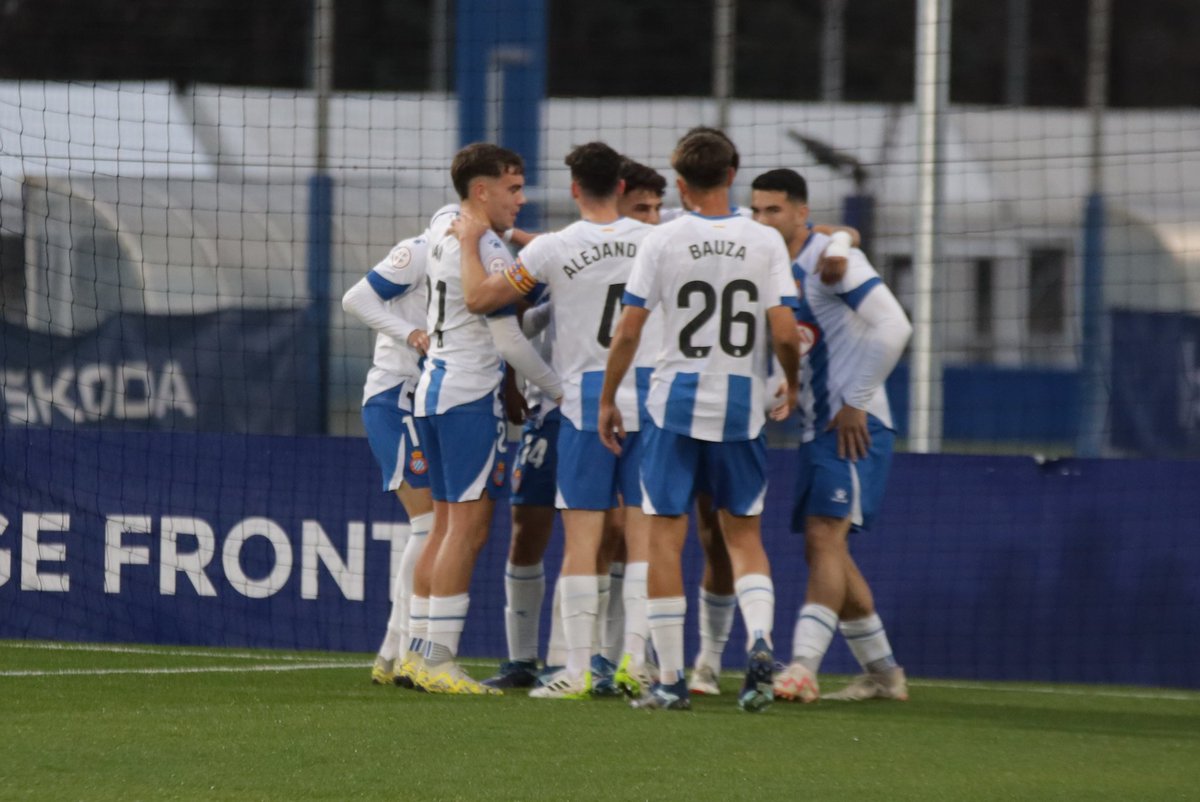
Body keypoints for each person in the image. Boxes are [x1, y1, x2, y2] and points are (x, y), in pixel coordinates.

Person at [598, 130, 801, 712]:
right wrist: (791, 379)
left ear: (680, 185)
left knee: (665, 537)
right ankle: (760, 641)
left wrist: (609, 398)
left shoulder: (663, 240)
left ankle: (668, 681)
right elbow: (785, 330)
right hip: (740, 402)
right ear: (733, 174)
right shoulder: (764, 241)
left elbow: (630, 329)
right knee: (744, 537)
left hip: (674, 403)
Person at [454, 141, 656, 699]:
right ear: (621, 187)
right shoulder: (657, 240)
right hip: (650, 402)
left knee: (581, 541)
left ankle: (573, 669)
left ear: (573, 189)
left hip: (587, 403)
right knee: (643, 542)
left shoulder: (554, 250)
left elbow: (480, 299)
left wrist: (473, 244)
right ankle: (634, 665)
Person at [749, 167, 912, 704]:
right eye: (756, 210)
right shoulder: (778, 261)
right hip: (819, 428)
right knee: (828, 549)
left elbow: (896, 327)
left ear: (801, 212)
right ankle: (884, 673)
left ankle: (802, 667)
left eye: (774, 210)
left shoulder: (830, 261)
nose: (762, 220)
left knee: (824, 538)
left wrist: (856, 402)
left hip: (855, 427)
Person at [410, 143, 563, 695]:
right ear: (482, 190)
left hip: (433, 390)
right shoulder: (489, 251)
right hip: (469, 398)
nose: (521, 200)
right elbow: (510, 341)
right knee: (467, 531)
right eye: (513, 188)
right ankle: (440, 660)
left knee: (445, 527)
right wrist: (558, 389)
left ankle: (419, 650)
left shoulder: (443, 225)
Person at [342, 208, 453, 687]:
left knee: (433, 525)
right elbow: (355, 299)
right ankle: (402, 648)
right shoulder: (421, 252)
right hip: (395, 396)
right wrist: (409, 334)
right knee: (428, 523)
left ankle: (393, 651)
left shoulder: (474, 258)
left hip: (431, 400)